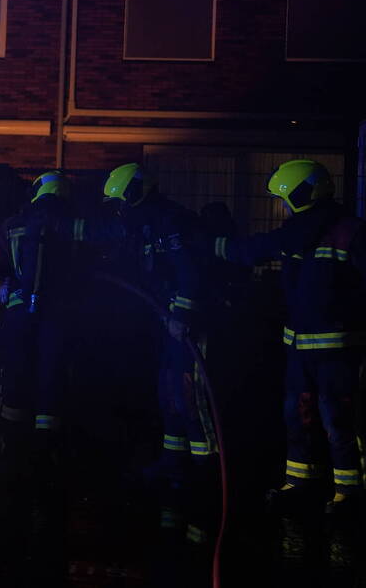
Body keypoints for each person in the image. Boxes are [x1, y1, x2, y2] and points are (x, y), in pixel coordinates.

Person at [213, 159, 365, 516]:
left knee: (340, 420)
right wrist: (211, 244)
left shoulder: (350, 233)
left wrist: (211, 245)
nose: (281, 206)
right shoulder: (297, 232)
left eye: (283, 198)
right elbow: (248, 251)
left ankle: (350, 492)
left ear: (298, 195)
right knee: (298, 418)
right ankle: (300, 482)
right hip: (301, 349)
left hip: (338, 351)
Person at [102, 163, 216, 546]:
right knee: (169, 393)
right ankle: (175, 461)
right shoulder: (147, 224)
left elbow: (191, 274)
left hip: (186, 324)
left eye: (122, 202)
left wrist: (182, 314)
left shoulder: (171, 222)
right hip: (164, 320)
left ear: (135, 194)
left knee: (189, 394)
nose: (120, 210)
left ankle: (206, 468)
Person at [0, 171, 84, 464]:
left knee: (16, 372)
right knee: (51, 374)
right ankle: (47, 445)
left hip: (18, 316)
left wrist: (9, 286)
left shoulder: (13, 224)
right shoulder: (73, 225)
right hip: (58, 316)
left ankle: (11, 442)